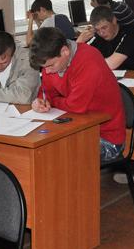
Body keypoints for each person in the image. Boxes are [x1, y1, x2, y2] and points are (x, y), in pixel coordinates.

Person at [29, 28, 126, 162]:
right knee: (41, 152)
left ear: (65, 51)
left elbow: (76, 106)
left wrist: (54, 101)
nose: (47, 71)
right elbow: (47, 91)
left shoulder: (89, 60)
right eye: (43, 68)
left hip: (106, 139)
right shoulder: (51, 61)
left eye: (51, 65)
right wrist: (41, 100)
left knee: (55, 156)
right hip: (76, 129)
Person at [77, 5, 134, 71]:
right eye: (97, 30)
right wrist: (79, 42)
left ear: (114, 20)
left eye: (104, 27)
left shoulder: (132, 33)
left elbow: (112, 64)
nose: (101, 33)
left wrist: (85, 64)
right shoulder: (97, 37)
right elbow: (74, 60)